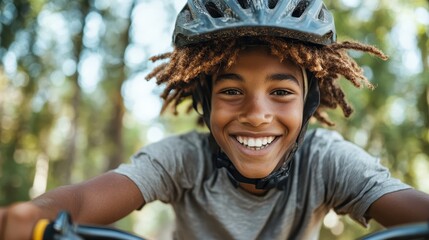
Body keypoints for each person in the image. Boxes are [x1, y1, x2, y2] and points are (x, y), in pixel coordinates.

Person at [1, 0, 429, 239]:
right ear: (205, 102)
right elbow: (80, 202)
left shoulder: (325, 161)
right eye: (231, 91)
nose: (257, 114)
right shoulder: (184, 159)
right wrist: (35, 213)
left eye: (281, 92)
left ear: (308, 103)